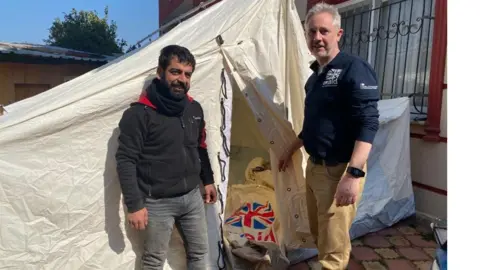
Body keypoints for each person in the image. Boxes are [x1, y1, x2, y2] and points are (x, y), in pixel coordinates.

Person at [278, 3, 380, 270]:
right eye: (312, 32)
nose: (317, 38)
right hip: (315, 168)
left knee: (333, 246)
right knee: (319, 232)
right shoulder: (314, 78)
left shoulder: (353, 68)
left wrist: (353, 174)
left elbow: (368, 123)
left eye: (324, 31)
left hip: (340, 169)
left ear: (338, 33)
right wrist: (290, 148)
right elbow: (314, 124)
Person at [115, 45, 217, 269]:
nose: (182, 79)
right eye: (175, 72)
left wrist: (207, 180)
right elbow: (125, 160)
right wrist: (134, 205)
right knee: (153, 261)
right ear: (160, 72)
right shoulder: (139, 114)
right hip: (157, 201)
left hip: (191, 197)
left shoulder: (194, 109)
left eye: (187, 74)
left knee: (200, 253)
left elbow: (199, 147)